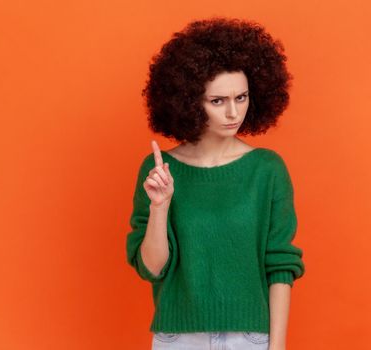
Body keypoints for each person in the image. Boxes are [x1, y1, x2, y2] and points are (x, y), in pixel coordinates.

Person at [125, 16, 306, 350]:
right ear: (191, 102)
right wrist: (160, 205)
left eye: (241, 97)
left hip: (250, 339)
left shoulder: (267, 170)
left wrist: (277, 347)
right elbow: (152, 268)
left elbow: (280, 266)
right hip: (177, 339)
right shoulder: (160, 170)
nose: (233, 113)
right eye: (218, 101)